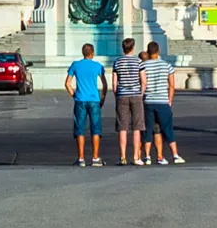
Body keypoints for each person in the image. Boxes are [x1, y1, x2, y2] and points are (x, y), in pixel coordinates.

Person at [64, 43, 108, 167]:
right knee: (96, 129)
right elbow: (104, 84)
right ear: (92, 53)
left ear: (83, 52)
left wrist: (74, 95)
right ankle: (95, 158)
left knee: (80, 129)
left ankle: (81, 158)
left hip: (80, 100)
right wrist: (103, 98)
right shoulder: (97, 66)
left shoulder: (75, 65)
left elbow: (67, 83)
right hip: (94, 99)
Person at [140, 41, 183, 164]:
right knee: (167, 129)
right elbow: (172, 85)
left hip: (148, 101)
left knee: (148, 129)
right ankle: (175, 155)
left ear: (148, 52)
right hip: (162, 100)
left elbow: (142, 82)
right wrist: (169, 100)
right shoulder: (166, 65)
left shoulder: (143, 66)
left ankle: (147, 156)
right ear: (158, 51)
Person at [111, 36, 148, 165]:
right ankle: (136, 157)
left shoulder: (117, 62)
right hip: (136, 94)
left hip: (122, 94)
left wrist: (118, 94)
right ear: (132, 48)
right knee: (137, 127)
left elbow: (114, 84)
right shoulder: (139, 62)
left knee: (122, 127)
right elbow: (143, 81)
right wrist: (140, 93)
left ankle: (122, 157)